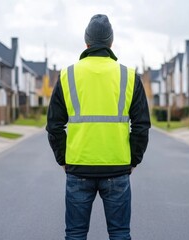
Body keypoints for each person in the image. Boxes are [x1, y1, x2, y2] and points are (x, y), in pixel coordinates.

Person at [46, 14, 150, 240]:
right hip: (117, 168)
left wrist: (63, 159)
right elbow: (141, 126)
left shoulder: (67, 75)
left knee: (75, 234)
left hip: (78, 168)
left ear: (87, 42)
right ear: (111, 43)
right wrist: (134, 160)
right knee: (120, 233)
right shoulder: (129, 76)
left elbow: (54, 125)